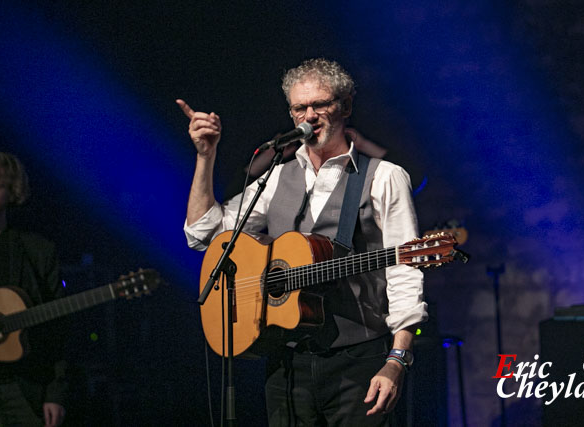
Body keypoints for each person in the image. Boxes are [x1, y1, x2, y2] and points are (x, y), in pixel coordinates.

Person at [179, 58, 427, 426]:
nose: (310, 116)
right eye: (300, 108)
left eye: (320, 105)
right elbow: (204, 235)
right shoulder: (276, 176)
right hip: (286, 361)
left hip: (357, 361)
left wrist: (397, 360)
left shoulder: (385, 177)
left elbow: (406, 269)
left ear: (345, 107)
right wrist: (205, 156)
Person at [0, 152, 67, 427]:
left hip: (25, 388)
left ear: (11, 189)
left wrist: (55, 392)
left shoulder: (38, 251)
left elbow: (57, 331)